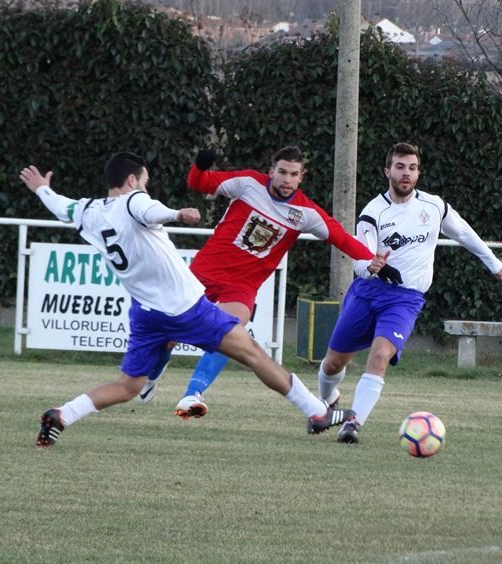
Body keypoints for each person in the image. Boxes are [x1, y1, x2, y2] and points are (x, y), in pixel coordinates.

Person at [19, 151, 356, 447]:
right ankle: (317, 412)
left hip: (145, 313)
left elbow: (61, 206)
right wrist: (178, 214)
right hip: (185, 308)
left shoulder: (89, 210)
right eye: (145, 182)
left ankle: (63, 414)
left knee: (129, 386)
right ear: (133, 181)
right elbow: (149, 210)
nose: (146, 187)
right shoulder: (135, 201)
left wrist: (42, 189)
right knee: (253, 354)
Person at [138, 146, 385, 420]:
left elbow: (342, 238)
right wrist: (200, 167)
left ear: (301, 177)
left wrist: (370, 258)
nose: (287, 179)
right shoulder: (248, 184)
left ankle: (192, 394)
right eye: (282, 172)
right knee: (167, 338)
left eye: (293, 174)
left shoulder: (305, 213)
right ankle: (152, 376)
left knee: (229, 331)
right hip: (203, 273)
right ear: (271, 171)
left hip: (241, 286)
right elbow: (200, 183)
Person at [317, 142, 502, 444]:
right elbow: (360, 257)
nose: (406, 173)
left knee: (380, 355)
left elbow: (463, 232)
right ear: (387, 171)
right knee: (333, 363)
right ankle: (327, 400)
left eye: (412, 168)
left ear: (418, 173)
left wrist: (494, 262)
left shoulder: (434, 207)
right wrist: (371, 266)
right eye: (400, 167)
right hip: (368, 292)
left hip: (405, 299)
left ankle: (352, 423)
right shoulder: (374, 212)